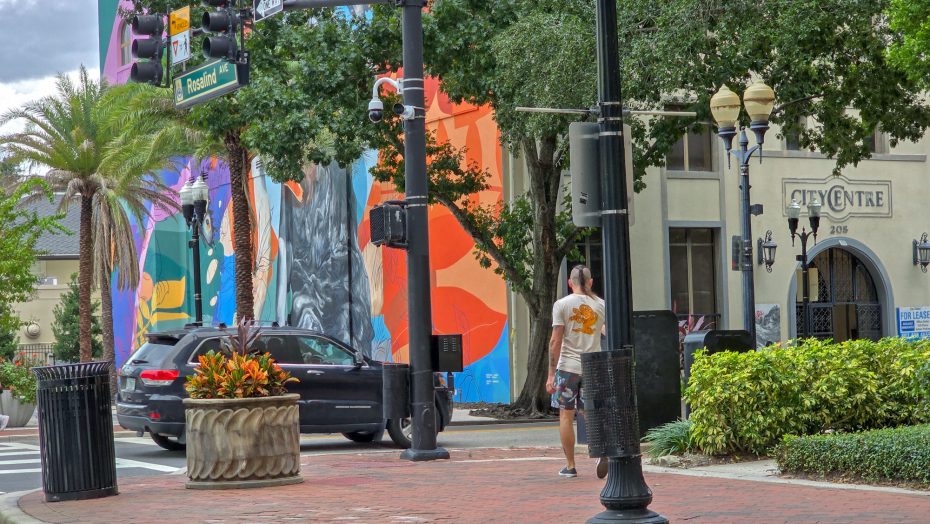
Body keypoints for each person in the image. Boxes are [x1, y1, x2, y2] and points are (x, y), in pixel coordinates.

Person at [547, 265, 608, 479]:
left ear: (570, 283)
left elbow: (555, 340)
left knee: (566, 415)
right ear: (591, 282)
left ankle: (571, 465)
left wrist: (551, 374)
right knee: (590, 412)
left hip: (568, 367)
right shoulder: (601, 305)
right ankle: (601, 451)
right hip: (592, 366)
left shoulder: (562, 305)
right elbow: (605, 330)